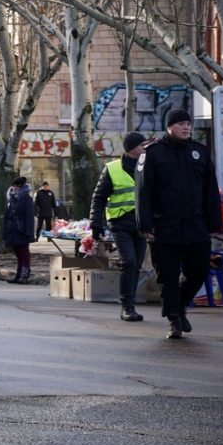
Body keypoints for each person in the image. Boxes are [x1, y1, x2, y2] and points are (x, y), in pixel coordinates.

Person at [135, 109, 221, 339]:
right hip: (165, 228)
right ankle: (174, 320)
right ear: (169, 127)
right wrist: (145, 225)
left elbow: (210, 191)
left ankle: (178, 305)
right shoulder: (153, 154)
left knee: (199, 272)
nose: (186, 128)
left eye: (188, 124)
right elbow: (143, 193)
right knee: (168, 276)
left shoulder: (199, 152)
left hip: (195, 226)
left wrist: (214, 223)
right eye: (181, 124)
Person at [89, 132, 149, 322]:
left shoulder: (148, 166)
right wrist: (95, 224)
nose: (144, 148)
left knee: (136, 265)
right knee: (129, 262)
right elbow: (98, 198)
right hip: (120, 223)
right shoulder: (112, 169)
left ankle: (129, 303)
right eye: (142, 145)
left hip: (143, 224)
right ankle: (127, 306)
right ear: (131, 148)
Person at [3, 177, 35, 283]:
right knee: (18, 253)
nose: (14, 188)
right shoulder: (12, 199)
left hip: (22, 231)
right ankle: (19, 273)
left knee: (24, 253)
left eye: (17, 186)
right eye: (14, 186)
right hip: (13, 231)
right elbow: (8, 216)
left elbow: (29, 217)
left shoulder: (26, 199)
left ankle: (24, 274)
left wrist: (29, 233)